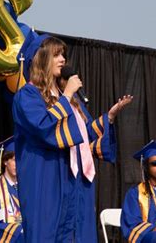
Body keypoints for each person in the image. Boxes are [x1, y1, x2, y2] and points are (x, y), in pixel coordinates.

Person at [12, 32, 133, 242]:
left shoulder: (68, 98)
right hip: (46, 177)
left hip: (74, 179)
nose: (63, 60)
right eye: (57, 55)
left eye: (63, 55)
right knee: (49, 233)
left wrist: (109, 117)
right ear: (41, 59)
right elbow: (44, 128)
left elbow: (83, 138)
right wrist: (67, 95)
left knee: (79, 235)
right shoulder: (27, 95)